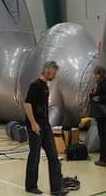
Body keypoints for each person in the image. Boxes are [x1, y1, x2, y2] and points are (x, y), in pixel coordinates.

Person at [24, 61, 68, 196]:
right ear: (47, 71)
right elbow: (27, 104)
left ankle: (56, 188)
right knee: (35, 155)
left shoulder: (45, 86)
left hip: (45, 125)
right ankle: (31, 186)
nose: (54, 76)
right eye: (53, 73)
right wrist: (33, 123)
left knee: (53, 156)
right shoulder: (35, 85)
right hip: (35, 127)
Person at [89, 66, 106, 166]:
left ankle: (103, 159)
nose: (95, 76)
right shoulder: (97, 83)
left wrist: (100, 98)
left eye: (97, 74)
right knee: (105, 135)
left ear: (101, 74)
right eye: (94, 74)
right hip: (98, 112)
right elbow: (94, 95)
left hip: (103, 112)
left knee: (103, 136)